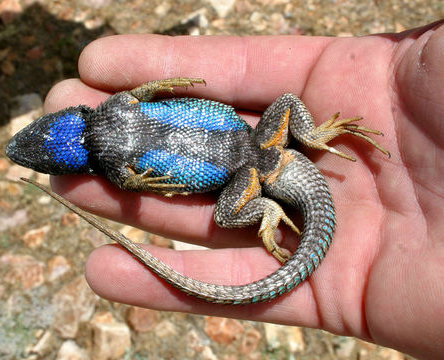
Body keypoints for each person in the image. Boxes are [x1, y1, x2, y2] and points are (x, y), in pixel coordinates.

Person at [46, 20, 444, 359]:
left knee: (224, 214)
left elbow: (130, 151)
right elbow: (135, 98)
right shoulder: (118, 109)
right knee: (285, 104)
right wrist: (157, 88)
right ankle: (298, 159)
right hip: (260, 148)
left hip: (258, 163)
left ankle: (273, 204)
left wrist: (132, 177)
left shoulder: (113, 153)